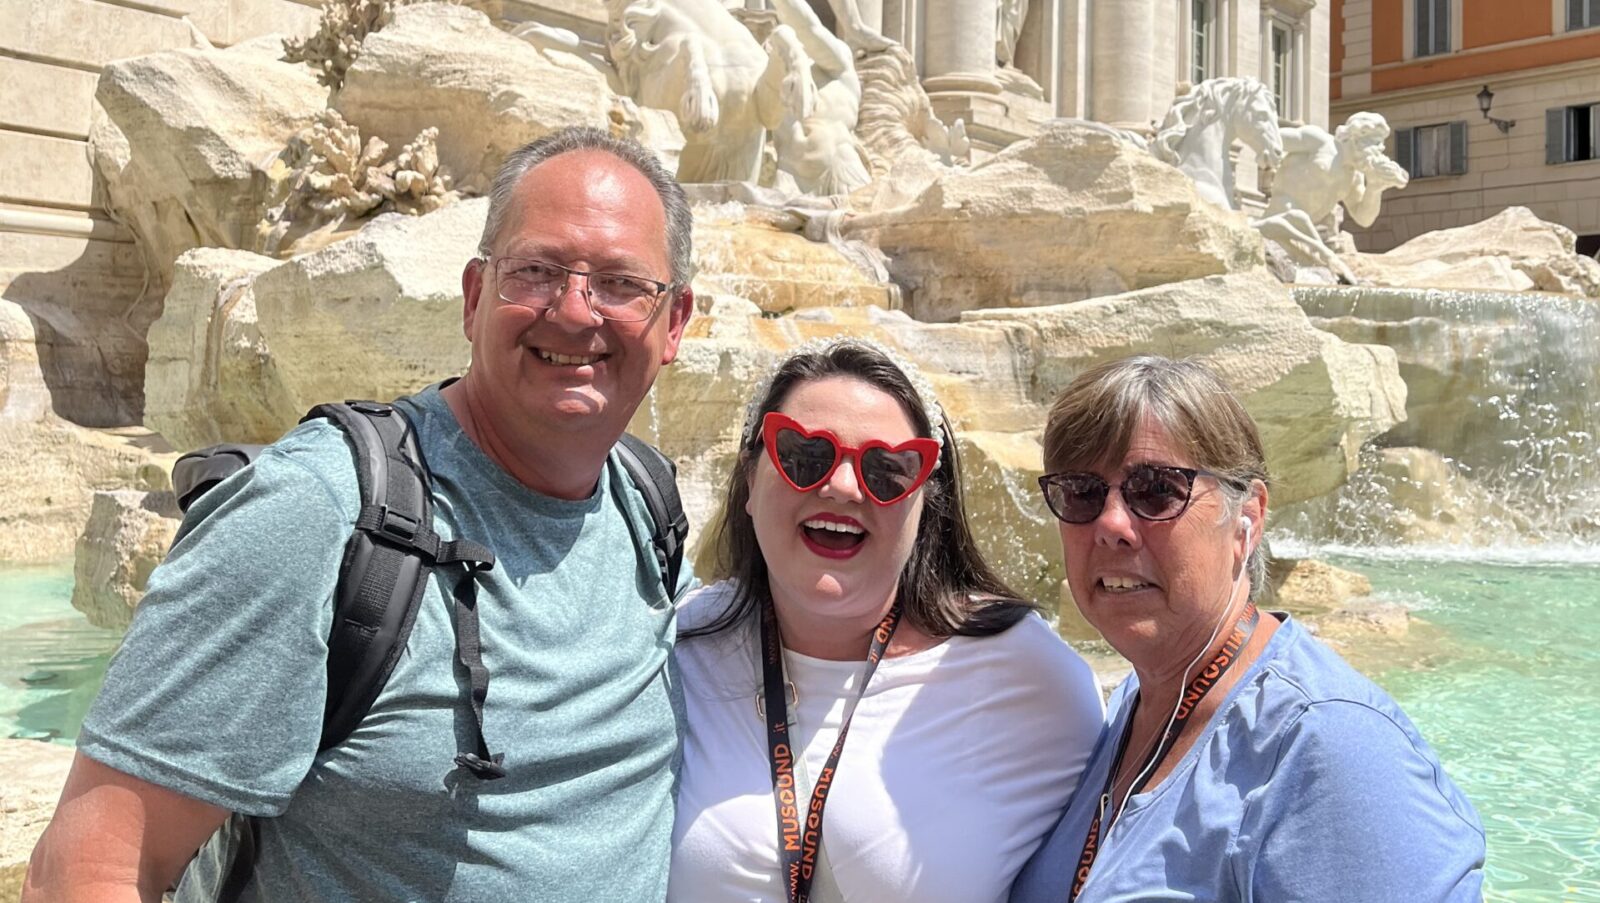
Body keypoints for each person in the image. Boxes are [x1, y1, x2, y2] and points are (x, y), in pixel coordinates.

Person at [24, 126, 696, 902]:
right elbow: (94, 867)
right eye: (537, 271)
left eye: (620, 284)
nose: (576, 312)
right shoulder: (318, 511)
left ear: (674, 322)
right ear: (475, 297)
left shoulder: (649, 505)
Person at [1010, 355, 1485, 903]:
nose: (1112, 525)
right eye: (1081, 493)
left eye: (1157, 490)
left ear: (1248, 519)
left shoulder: (1327, 746)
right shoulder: (1136, 705)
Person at [669, 339, 1104, 903]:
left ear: (926, 505)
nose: (844, 487)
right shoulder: (676, 647)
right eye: (805, 456)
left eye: (887, 469)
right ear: (751, 480)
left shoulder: (1031, 676)